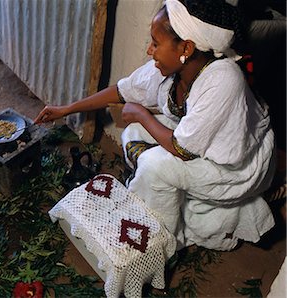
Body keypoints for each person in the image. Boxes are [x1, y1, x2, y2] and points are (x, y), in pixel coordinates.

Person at [34, 0, 275, 251]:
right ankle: (160, 194)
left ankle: (162, 244)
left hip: (234, 166)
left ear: (186, 48)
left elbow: (181, 148)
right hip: (197, 142)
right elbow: (121, 91)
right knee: (133, 134)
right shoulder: (172, 70)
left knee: (153, 165)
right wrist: (66, 109)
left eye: (156, 44)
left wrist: (141, 113)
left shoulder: (224, 79)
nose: (150, 51)